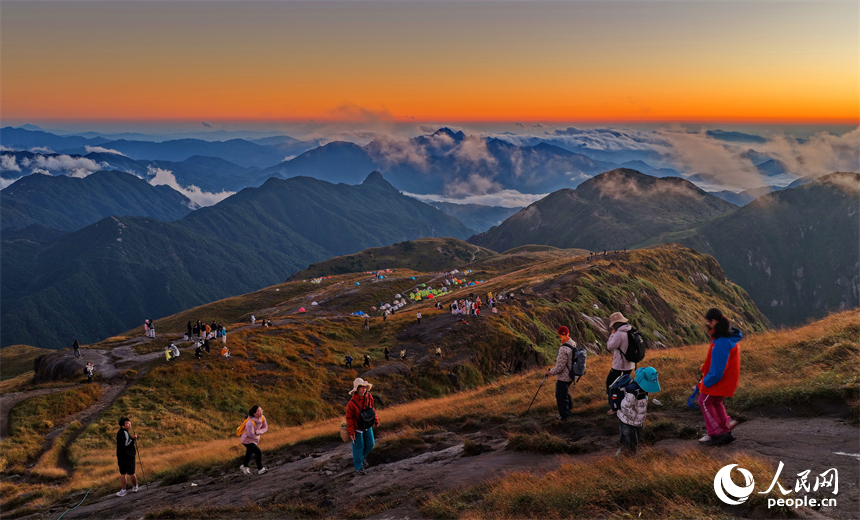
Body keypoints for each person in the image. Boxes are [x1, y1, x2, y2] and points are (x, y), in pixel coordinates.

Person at [698, 308, 742, 446]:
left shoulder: (721, 342)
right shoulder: (727, 338)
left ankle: (716, 433)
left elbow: (718, 370)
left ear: (714, 321)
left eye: (709, 322)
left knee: (704, 401)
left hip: (719, 381)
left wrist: (705, 382)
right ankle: (726, 427)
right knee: (715, 402)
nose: (708, 325)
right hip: (726, 380)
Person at [616, 366, 661, 456]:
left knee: (635, 441)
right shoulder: (632, 392)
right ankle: (623, 458)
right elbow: (625, 407)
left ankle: (632, 456)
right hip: (627, 421)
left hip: (636, 421)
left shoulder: (642, 389)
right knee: (627, 441)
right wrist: (635, 417)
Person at [345, 378, 379, 475]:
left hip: (367, 425)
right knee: (358, 447)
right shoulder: (351, 404)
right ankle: (359, 467)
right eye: (362, 387)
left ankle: (360, 459)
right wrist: (351, 432)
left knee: (371, 444)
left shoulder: (369, 396)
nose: (364, 389)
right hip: (357, 428)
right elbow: (349, 418)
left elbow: (372, 409)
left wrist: (376, 420)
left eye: (365, 387)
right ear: (357, 389)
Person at [606, 312, 636, 415]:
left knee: (611, 385)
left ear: (616, 323)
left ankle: (614, 407)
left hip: (620, 365)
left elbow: (610, 346)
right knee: (626, 385)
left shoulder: (619, 333)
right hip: (630, 364)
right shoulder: (630, 330)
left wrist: (612, 334)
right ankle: (626, 404)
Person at [546, 326, 575, 420]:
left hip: (564, 376)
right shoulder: (572, 343)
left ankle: (565, 415)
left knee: (560, 396)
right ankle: (569, 409)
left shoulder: (563, 349)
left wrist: (550, 372)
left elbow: (560, 367)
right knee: (565, 393)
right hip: (572, 373)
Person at [239, 405, 268, 475]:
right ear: (254, 413)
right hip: (247, 440)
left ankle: (244, 466)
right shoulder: (250, 423)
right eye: (258, 411)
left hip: (254, 439)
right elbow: (250, 434)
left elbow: (265, 427)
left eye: (261, 410)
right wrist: (256, 433)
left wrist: (257, 432)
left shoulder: (263, 418)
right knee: (258, 452)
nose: (260, 412)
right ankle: (260, 469)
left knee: (249, 453)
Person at [115, 417, 138, 496]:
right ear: (123, 425)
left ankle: (123, 490)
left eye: (129, 422)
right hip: (128, 455)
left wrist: (131, 438)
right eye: (127, 423)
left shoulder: (119, 432)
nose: (129, 424)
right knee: (131, 472)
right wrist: (133, 439)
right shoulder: (124, 433)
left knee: (123, 473)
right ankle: (135, 487)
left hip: (121, 456)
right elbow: (127, 444)